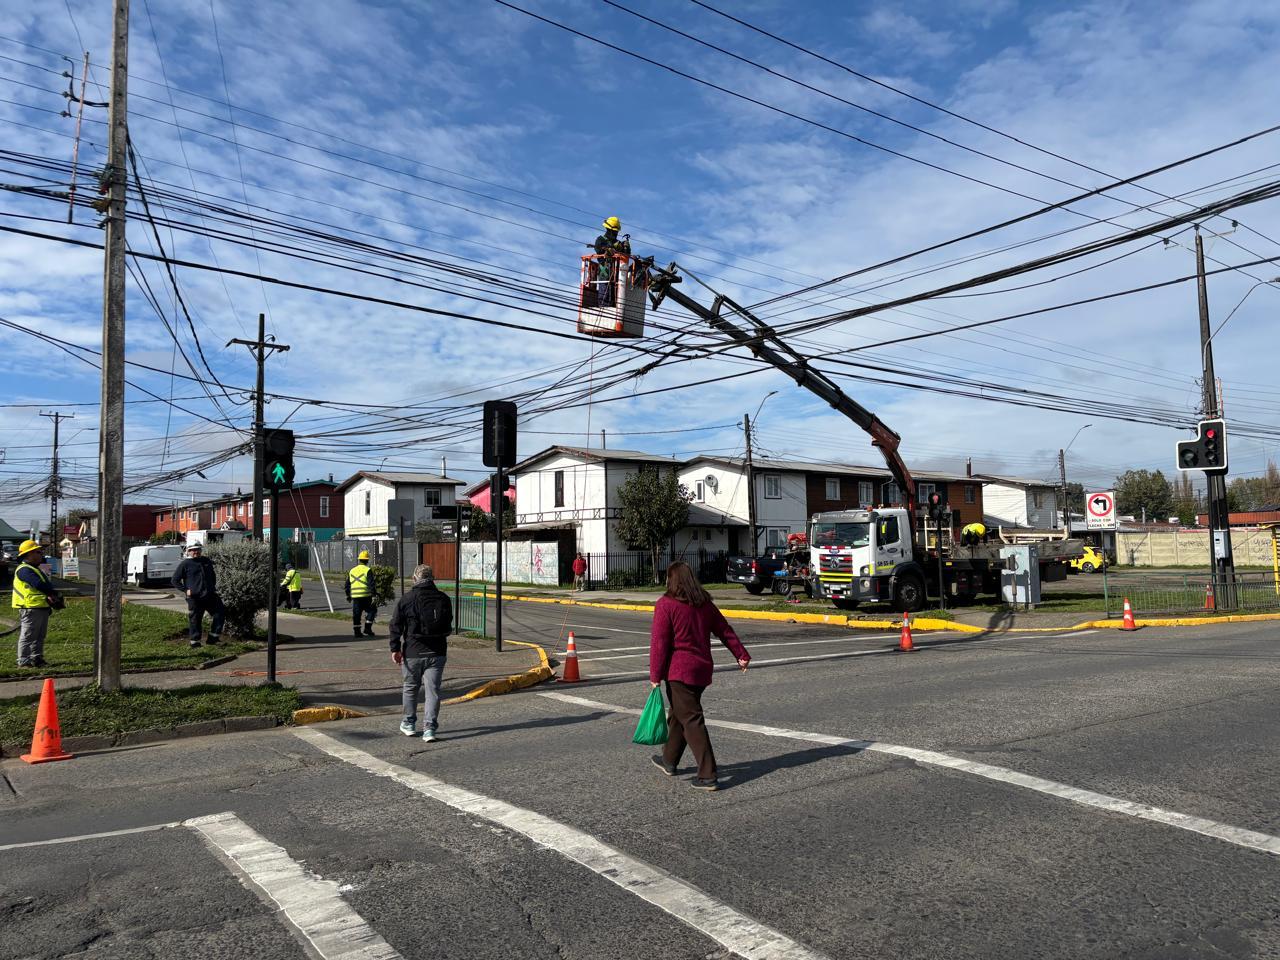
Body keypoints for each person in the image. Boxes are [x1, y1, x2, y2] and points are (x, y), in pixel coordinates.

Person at [648, 560, 751, 792]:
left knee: (691, 718)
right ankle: (669, 760)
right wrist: (741, 654)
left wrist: (655, 674)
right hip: (701, 670)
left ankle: (707, 775)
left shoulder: (665, 605)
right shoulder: (704, 604)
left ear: (672, 580)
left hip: (678, 671)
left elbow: (660, 643)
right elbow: (725, 630)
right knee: (679, 714)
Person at [389, 564, 453, 742]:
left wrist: (395, 648)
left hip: (413, 652)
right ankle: (430, 729)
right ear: (432, 578)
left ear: (415, 579)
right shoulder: (443, 598)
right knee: (433, 691)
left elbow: (395, 625)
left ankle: (409, 723)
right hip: (438, 651)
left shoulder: (407, 599)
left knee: (410, 688)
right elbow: (449, 621)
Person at [11, 539, 63, 668]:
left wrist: (50, 598)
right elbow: (38, 584)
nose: (41, 554)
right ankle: (23, 661)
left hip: (40, 606)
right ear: (29, 554)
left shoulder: (34, 569)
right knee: (28, 635)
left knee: (39, 636)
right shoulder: (24, 570)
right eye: (38, 552)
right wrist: (53, 593)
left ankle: (36, 658)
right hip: (30, 607)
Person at [170, 542, 224, 648]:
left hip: (210, 595)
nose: (196, 552)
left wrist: (212, 587)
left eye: (198, 549)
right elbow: (174, 580)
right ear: (188, 552)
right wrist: (185, 590)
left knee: (220, 613)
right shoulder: (185, 564)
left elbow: (213, 576)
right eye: (193, 550)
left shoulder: (206, 561)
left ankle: (213, 638)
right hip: (195, 598)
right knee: (196, 620)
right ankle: (195, 642)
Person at [345, 549, 377, 637]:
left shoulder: (352, 570)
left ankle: (357, 632)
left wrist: (348, 595)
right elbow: (371, 584)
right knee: (372, 611)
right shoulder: (368, 570)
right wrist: (374, 595)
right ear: (367, 560)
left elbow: (347, 585)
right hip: (366, 596)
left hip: (355, 597)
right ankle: (367, 628)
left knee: (356, 614)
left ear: (359, 560)